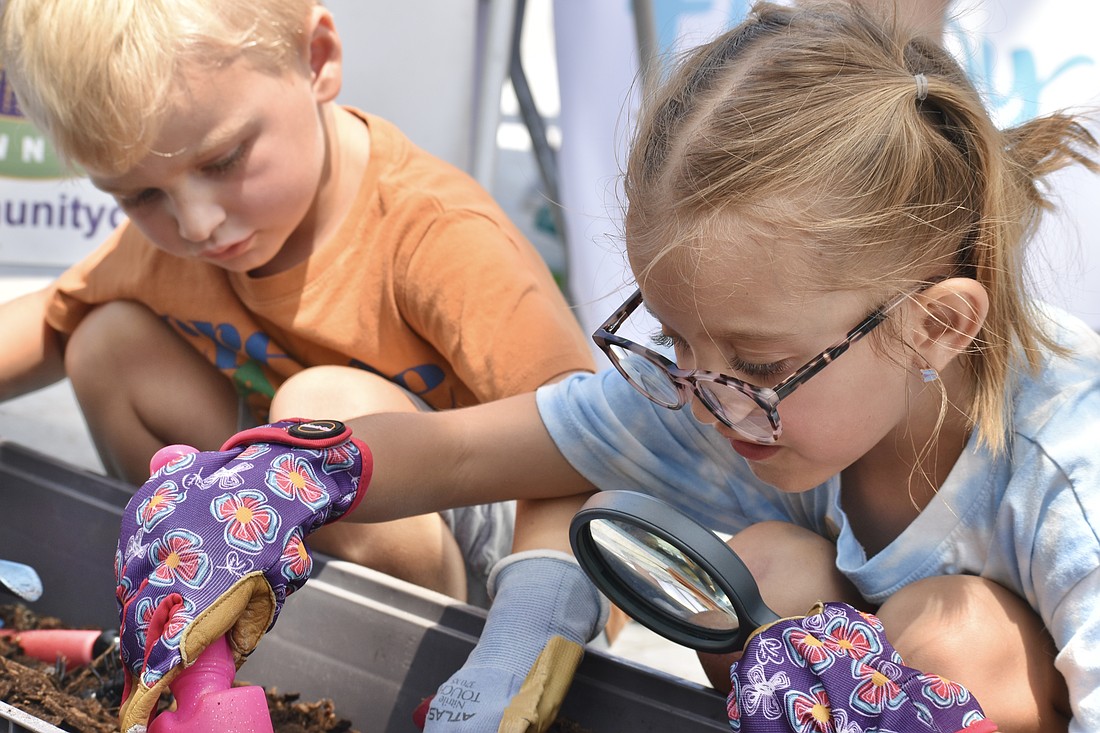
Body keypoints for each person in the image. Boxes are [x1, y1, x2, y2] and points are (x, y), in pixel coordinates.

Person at [118, 1, 1100, 731]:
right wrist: (277, 476)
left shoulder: (1068, 465)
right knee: (769, 572)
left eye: (752, 361)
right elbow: (462, 455)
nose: (701, 394)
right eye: (673, 339)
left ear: (935, 327)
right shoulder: (732, 391)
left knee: (947, 630)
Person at [0, 0, 594, 604]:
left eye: (223, 160)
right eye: (142, 195)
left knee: (319, 417)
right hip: (298, 517)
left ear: (317, 61)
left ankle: (425, 666)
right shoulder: (183, 237)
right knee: (107, 346)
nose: (197, 224)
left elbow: (587, 436)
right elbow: (47, 323)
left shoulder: (437, 233)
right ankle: (192, 598)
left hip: (504, 558)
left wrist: (534, 621)